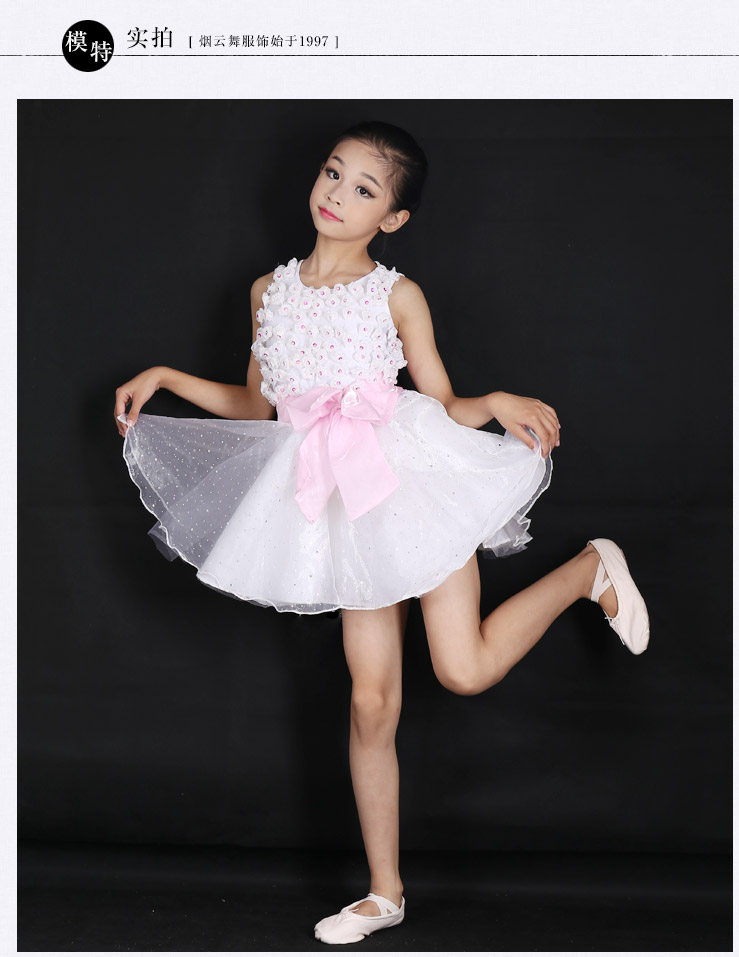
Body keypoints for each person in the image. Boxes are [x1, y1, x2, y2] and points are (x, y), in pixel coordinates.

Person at [114, 120, 649, 945]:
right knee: (371, 701)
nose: (337, 193)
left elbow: (441, 401)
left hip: (409, 480)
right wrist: (165, 376)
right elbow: (259, 404)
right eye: (334, 173)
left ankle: (587, 570)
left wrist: (493, 403)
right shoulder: (267, 290)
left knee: (462, 669)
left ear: (392, 218)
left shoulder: (395, 294)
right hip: (337, 500)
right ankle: (384, 892)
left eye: (364, 188)